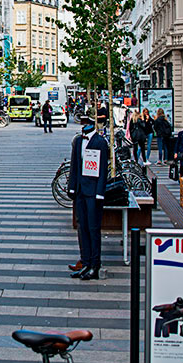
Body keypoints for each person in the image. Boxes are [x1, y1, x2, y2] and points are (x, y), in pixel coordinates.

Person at [67, 116, 109, 280]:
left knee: (93, 228)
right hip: (80, 192)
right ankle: (85, 262)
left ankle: (94, 264)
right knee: (82, 227)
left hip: (93, 192)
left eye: (87, 123)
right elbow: (74, 166)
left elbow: (103, 170)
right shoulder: (78, 141)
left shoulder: (100, 142)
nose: (84, 125)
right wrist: (72, 187)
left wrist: (100, 192)